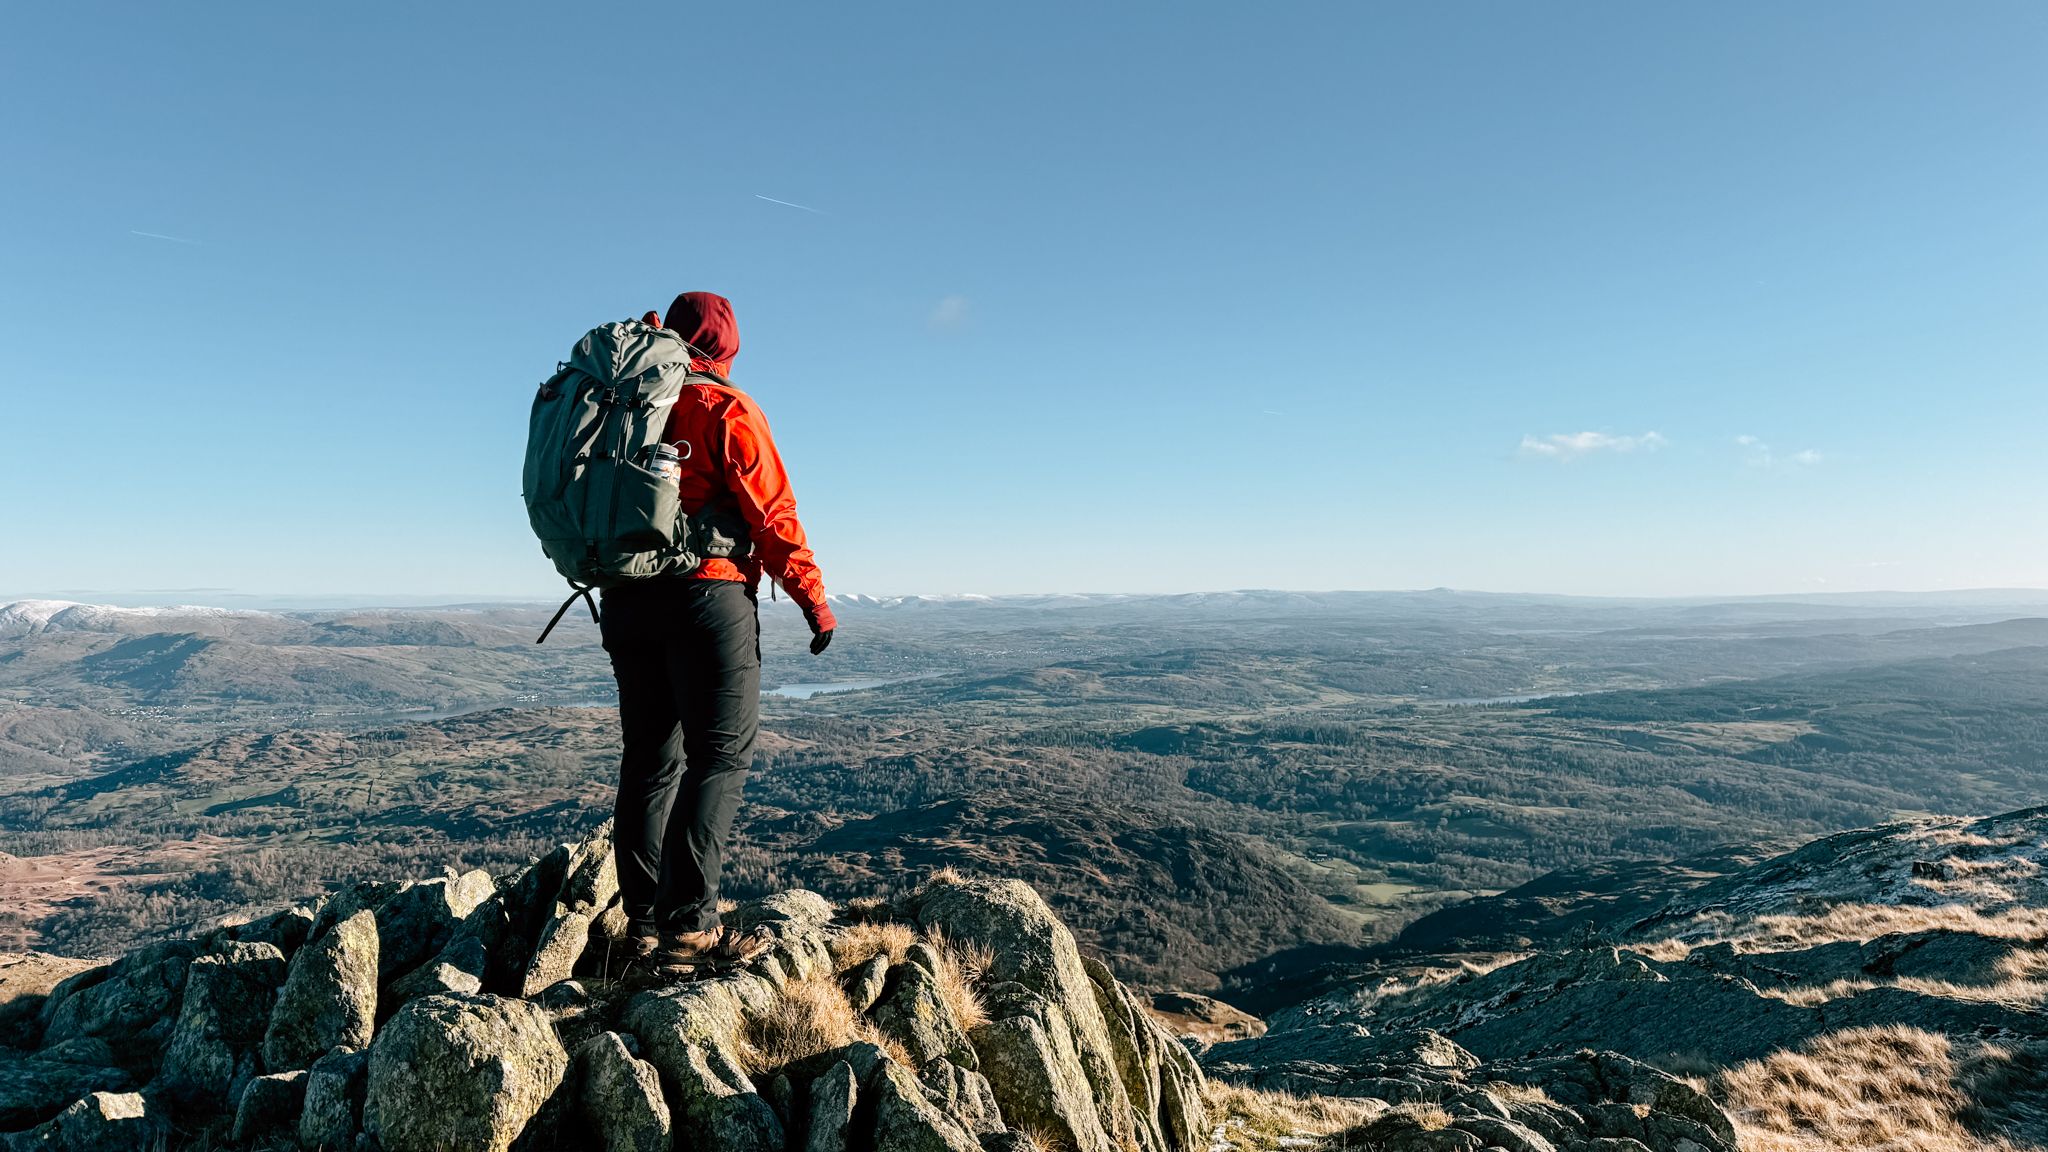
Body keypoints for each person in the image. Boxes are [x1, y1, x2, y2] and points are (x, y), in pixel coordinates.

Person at [600, 290, 835, 968]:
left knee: (649, 758)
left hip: (626, 597)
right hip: (706, 597)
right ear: (727, 348)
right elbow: (772, 515)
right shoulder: (723, 405)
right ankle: (689, 928)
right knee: (719, 756)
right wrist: (813, 602)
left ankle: (641, 922)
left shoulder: (623, 403)